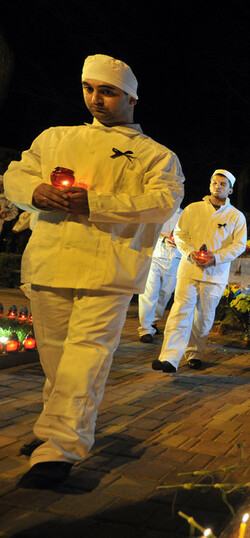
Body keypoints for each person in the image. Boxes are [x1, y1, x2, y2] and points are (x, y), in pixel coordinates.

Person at [3, 54, 184, 488]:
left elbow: (164, 201)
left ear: (132, 97)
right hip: (50, 262)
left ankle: (59, 450)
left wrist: (97, 204)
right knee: (57, 361)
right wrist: (36, 192)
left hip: (109, 270)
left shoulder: (155, 155)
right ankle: (54, 430)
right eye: (89, 89)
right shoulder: (55, 137)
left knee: (84, 361)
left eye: (107, 91)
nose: (96, 99)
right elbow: (14, 176)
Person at [152, 169, 246, 373]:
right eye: (214, 182)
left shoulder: (236, 216)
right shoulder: (193, 209)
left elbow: (239, 245)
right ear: (210, 185)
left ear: (230, 190)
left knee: (204, 318)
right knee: (179, 312)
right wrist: (189, 253)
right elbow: (179, 234)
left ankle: (195, 353)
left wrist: (216, 258)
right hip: (189, 270)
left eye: (223, 184)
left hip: (215, 275)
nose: (217, 186)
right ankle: (169, 358)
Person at [138, 207, 182, 342]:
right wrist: (163, 239)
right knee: (149, 292)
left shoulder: (185, 215)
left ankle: (153, 321)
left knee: (165, 293)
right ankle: (145, 329)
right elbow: (146, 231)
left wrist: (179, 243)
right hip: (155, 257)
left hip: (175, 259)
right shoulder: (157, 211)